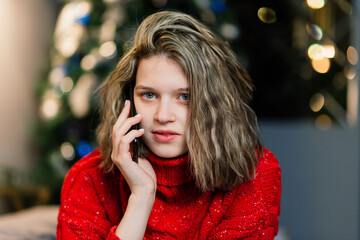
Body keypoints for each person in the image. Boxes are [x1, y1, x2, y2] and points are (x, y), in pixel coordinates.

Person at [57, 11, 281, 240]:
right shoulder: (88, 178)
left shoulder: (255, 173)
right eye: (149, 95)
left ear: (215, 102)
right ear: (129, 100)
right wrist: (142, 197)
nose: (163, 116)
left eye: (185, 97)